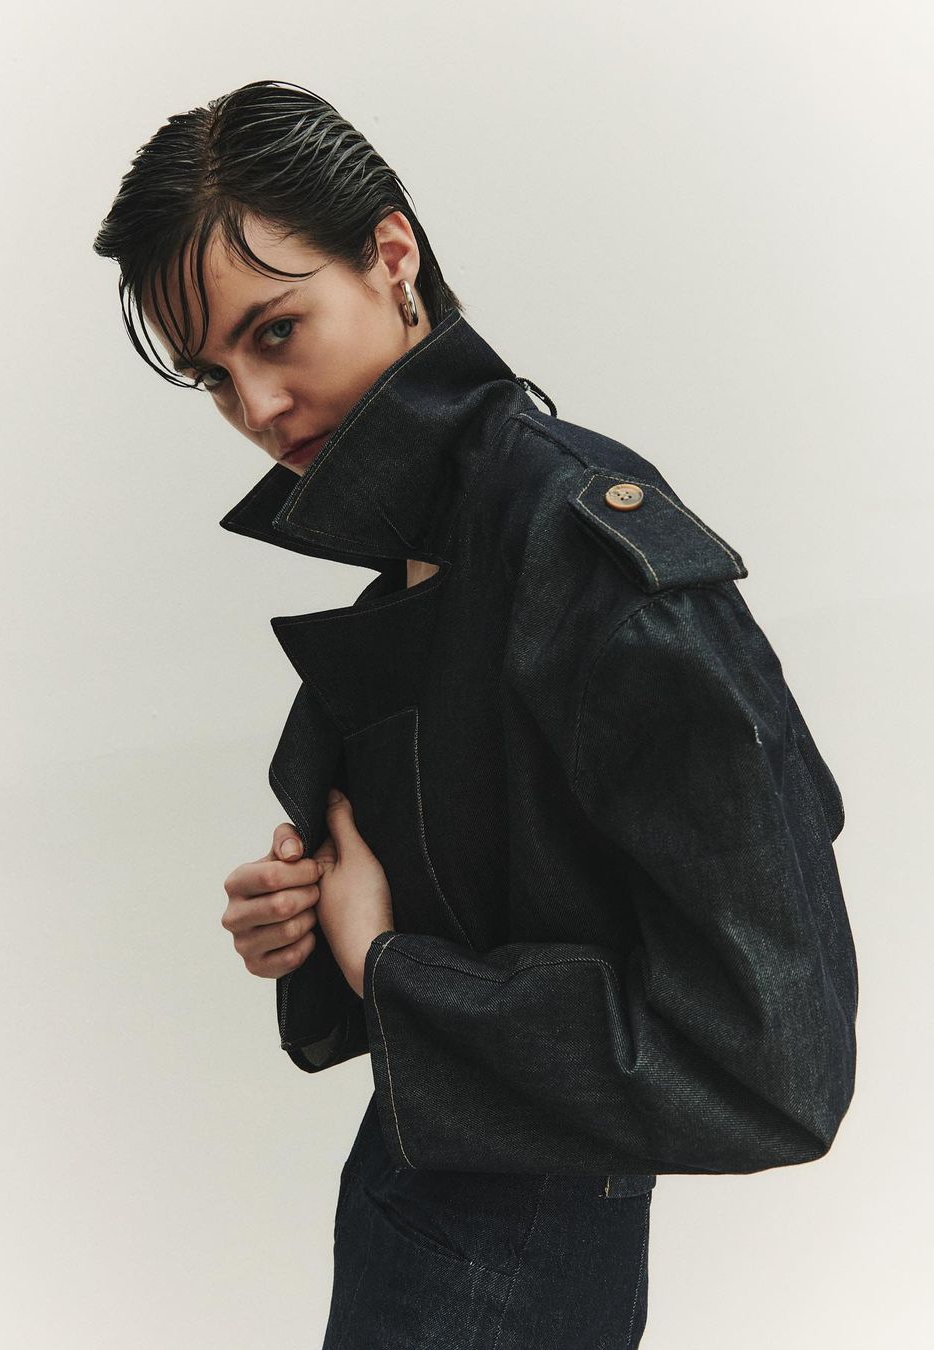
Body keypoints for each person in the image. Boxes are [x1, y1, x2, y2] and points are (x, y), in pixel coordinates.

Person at [92, 79, 859, 1350]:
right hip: (423, 1208)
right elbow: (511, 896)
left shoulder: (581, 547)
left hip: (518, 1262)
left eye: (276, 331)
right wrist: (316, 920)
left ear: (391, 256)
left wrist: (385, 964)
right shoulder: (433, 550)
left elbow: (775, 1060)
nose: (258, 410)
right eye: (215, 377)